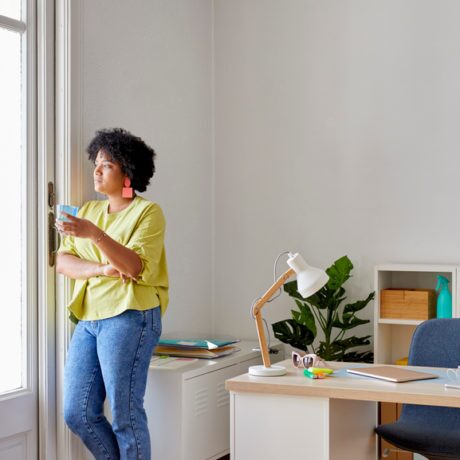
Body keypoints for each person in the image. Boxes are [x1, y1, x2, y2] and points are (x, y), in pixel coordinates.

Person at [56, 127, 168, 459]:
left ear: (127, 171)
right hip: (89, 318)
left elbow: (133, 267)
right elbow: (62, 261)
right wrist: (100, 269)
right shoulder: (87, 212)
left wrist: (95, 235)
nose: (97, 170)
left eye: (106, 165)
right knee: (77, 413)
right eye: (96, 163)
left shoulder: (147, 212)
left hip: (130, 317)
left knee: (125, 414)